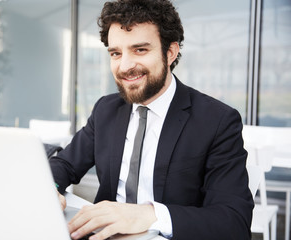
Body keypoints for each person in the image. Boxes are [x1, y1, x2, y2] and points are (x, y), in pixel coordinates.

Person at [49, 0, 254, 239]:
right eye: (116, 53)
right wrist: (49, 189)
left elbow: (233, 222)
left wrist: (150, 215)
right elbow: (64, 165)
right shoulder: (106, 109)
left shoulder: (217, 121)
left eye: (140, 50)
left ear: (170, 53)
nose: (125, 66)